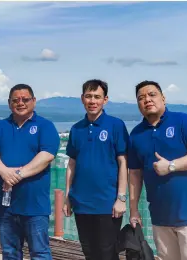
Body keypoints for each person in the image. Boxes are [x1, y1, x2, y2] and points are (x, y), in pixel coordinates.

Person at [128, 80, 187, 260]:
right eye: (141, 98)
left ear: (163, 98)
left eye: (152, 95)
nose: (147, 100)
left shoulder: (184, 121)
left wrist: (172, 166)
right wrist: (133, 209)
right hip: (160, 216)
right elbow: (135, 174)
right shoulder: (136, 134)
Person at [0, 84, 60, 260]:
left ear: (33, 101)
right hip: (6, 208)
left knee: (40, 253)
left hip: (35, 207)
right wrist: (4, 172)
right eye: (15, 100)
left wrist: (16, 175)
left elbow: (47, 155)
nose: (20, 103)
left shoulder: (45, 126)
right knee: (10, 254)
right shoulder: (0, 126)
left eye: (25, 99)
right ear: (9, 103)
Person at [62, 79, 130, 260]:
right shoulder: (77, 129)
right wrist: (68, 197)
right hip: (81, 203)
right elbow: (72, 165)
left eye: (97, 97)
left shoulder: (116, 125)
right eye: (89, 96)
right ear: (82, 99)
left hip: (108, 203)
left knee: (108, 253)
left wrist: (121, 198)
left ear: (105, 100)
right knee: (89, 252)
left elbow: (123, 162)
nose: (93, 101)